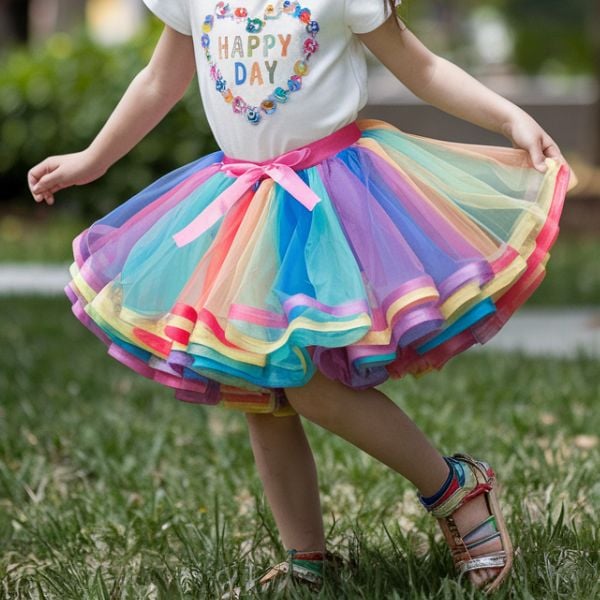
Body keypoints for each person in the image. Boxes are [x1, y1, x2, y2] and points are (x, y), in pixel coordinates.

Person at [27, 0, 577, 595]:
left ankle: (455, 487)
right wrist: (93, 159)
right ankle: (307, 557)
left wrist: (508, 119)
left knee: (310, 386)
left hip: (331, 201)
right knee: (260, 390)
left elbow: (420, 66)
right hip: (242, 204)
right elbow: (161, 79)